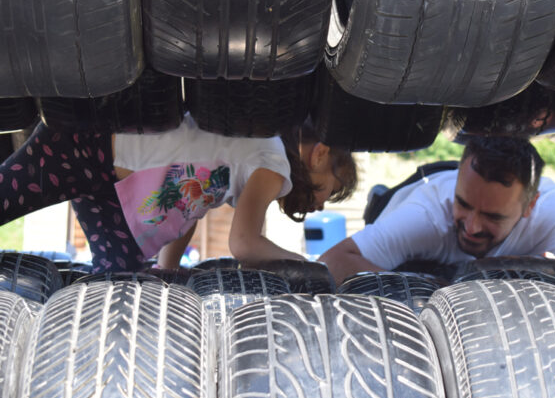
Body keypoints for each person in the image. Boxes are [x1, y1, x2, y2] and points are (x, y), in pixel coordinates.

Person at [0, 114, 357, 273]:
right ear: (319, 153)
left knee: (121, 277)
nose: (321, 203)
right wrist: (308, 266)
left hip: (110, 186)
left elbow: (196, 204)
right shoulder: (272, 161)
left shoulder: (263, 154)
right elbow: (245, 245)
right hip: (86, 147)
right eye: (329, 189)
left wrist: (166, 268)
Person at [319, 136, 555, 284]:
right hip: (412, 230)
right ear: (456, 185)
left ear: (529, 206)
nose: (471, 226)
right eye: (464, 204)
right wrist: (439, 290)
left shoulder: (552, 209)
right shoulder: (425, 216)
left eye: (493, 216)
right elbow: (332, 262)